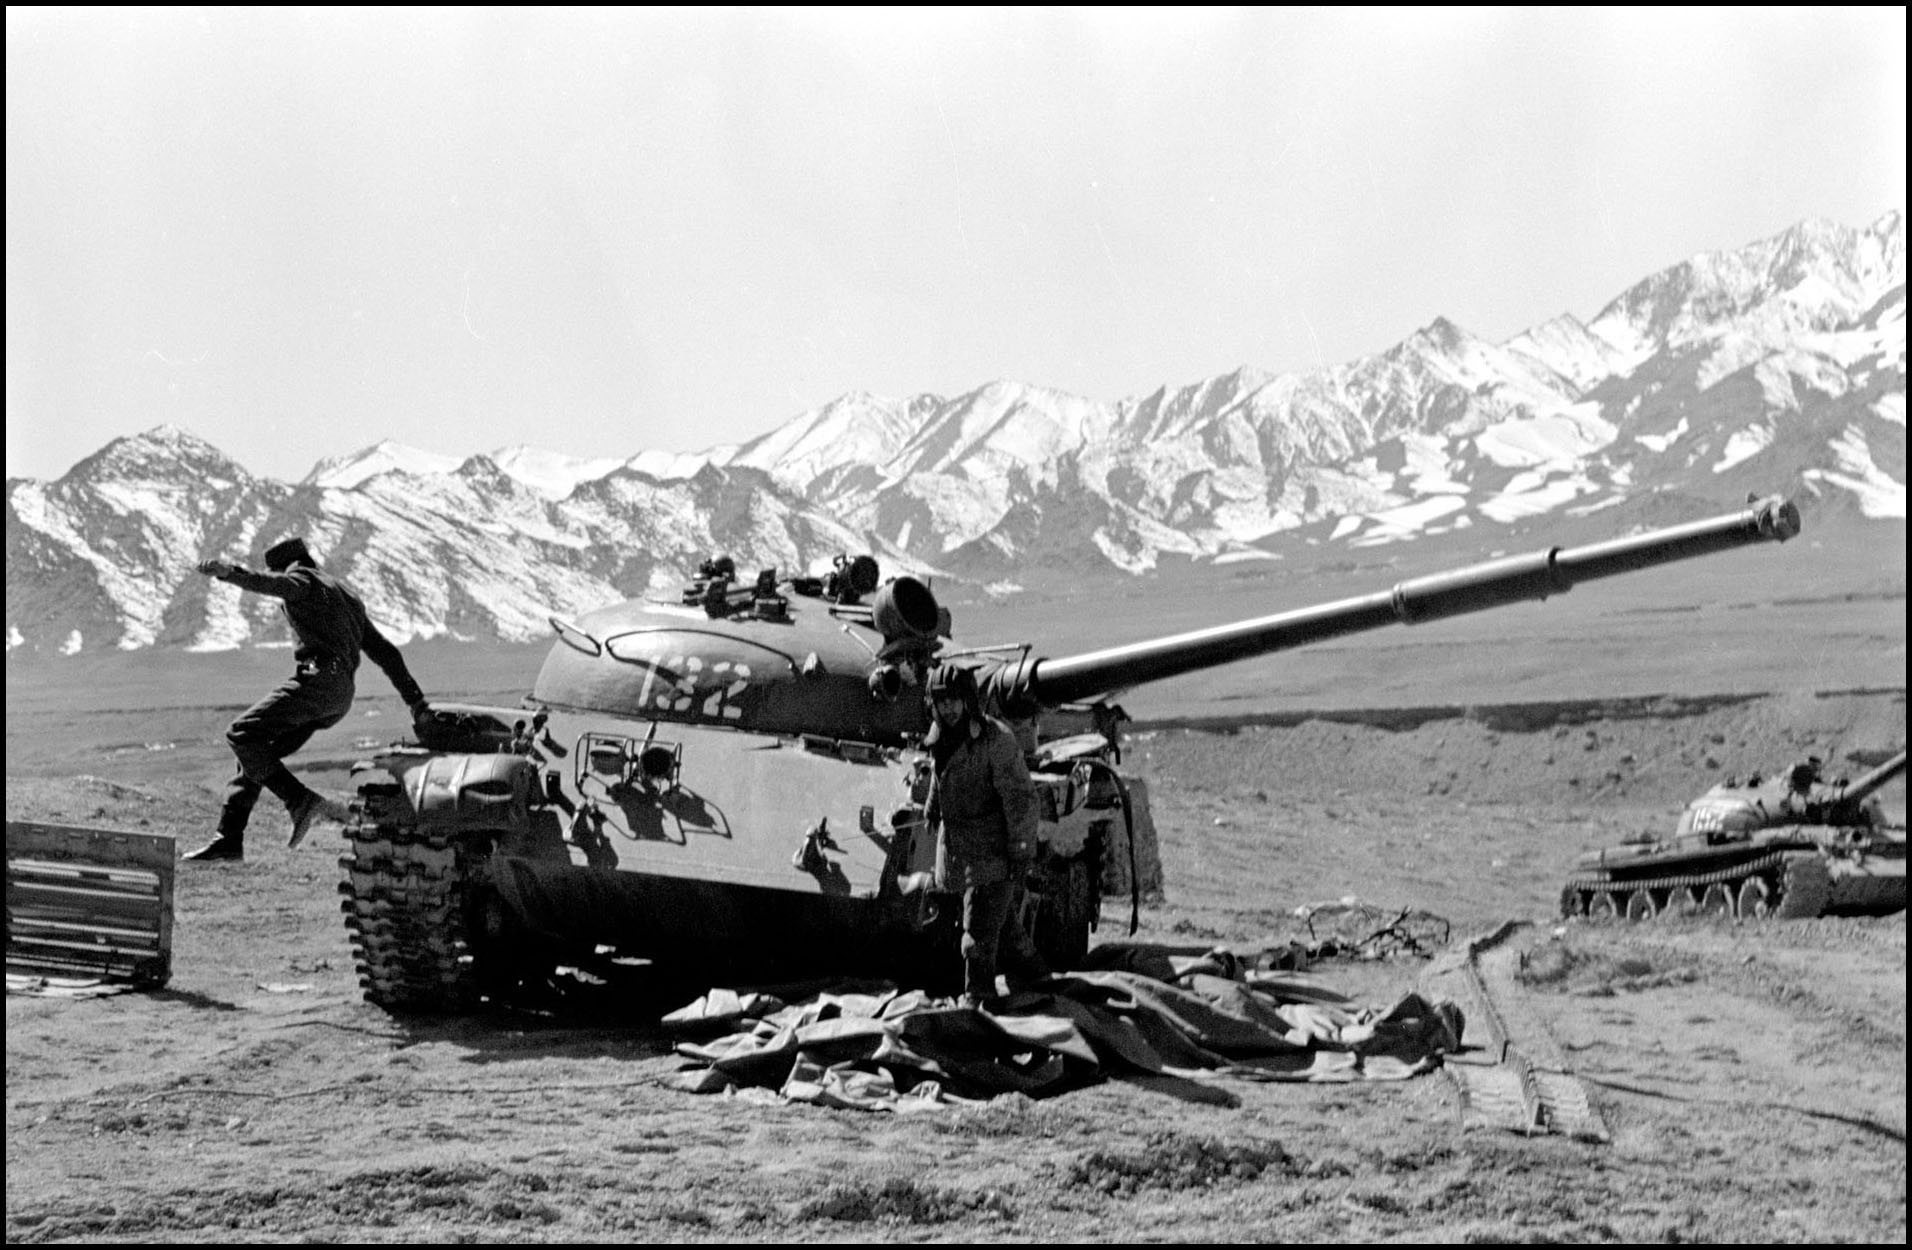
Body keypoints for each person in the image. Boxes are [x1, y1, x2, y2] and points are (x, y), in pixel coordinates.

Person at [182, 537, 432, 862]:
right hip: (340, 694)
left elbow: (271, 584)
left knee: (241, 734)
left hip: (317, 678)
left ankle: (301, 803)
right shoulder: (346, 597)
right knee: (257, 757)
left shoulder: (303, 581)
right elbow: (385, 652)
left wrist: (229, 573)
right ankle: (228, 839)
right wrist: (417, 702)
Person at [923, 663, 1050, 1006]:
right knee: (1003, 926)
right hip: (962, 849)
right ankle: (1037, 976)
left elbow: (1022, 799)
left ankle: (977, 1000)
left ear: (968, 700)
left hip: (993, 852)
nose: (948, 708)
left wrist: (1021, 851)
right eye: (940, 701)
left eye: (954, 700)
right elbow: (941, 772)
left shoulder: (996, 741)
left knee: (977, 930)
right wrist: (932, 806)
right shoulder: (941, 736)